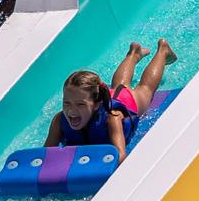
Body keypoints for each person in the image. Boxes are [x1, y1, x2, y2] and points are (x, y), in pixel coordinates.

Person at [44, 39, 177, 164]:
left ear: (96, 104)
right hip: (104, 96)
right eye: (66, 103)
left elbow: (120, 155)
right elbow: (44, 156)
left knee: (145, 88)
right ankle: (133, 54)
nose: (71, 110)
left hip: (128, 100)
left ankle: (162, 51)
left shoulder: (112, 118)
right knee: (119, 84)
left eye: (80, 104)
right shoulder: (59, 121)